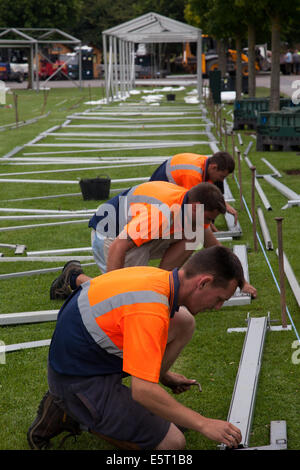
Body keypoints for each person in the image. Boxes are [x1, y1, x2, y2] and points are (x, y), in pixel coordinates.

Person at [28, 246, 244, 451]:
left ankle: (142, 385)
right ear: (203, 283)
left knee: (184, 321)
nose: (218, 307)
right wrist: (203, 423)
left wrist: (163, 376)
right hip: (77, 380)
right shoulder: (151, 310)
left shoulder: (162, 280)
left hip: (89, 356)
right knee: (172, 443)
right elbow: (142, 391)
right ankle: (72, 414)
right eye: (219, 299)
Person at [50, 181, 256, 299]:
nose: (210, 224)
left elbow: (217, 250)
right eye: (209, 218)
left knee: (194, 235)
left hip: (134, 235)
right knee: (126, 294)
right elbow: (118, 247)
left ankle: (160, 285)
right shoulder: (162, 212)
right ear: (196, 207)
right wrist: (113, 291)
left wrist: (241, 281)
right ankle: (74, 277)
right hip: (109, 235)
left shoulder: (191, 207)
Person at [149, 151, 238, 224]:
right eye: (222, 176)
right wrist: (208, 226)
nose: (222, 180)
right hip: (156, 197)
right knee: (188, 217)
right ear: (213, 167)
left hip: (164, 186)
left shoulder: (206, 163)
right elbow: (194, 205)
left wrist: (224, 205)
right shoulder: (193, 174)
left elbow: (208, 192)